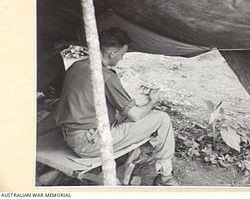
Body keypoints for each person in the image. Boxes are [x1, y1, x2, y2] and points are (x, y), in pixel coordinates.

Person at [54, 27, 178, 186]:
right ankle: (165, 178)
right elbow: (136, 115)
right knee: (162, 118)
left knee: (127, 113)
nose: (122, 59)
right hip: (89, 143)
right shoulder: (106, 76)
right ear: (112, 53)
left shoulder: (77, 66)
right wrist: (152, 101)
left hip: (70, 135)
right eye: (122, 54)